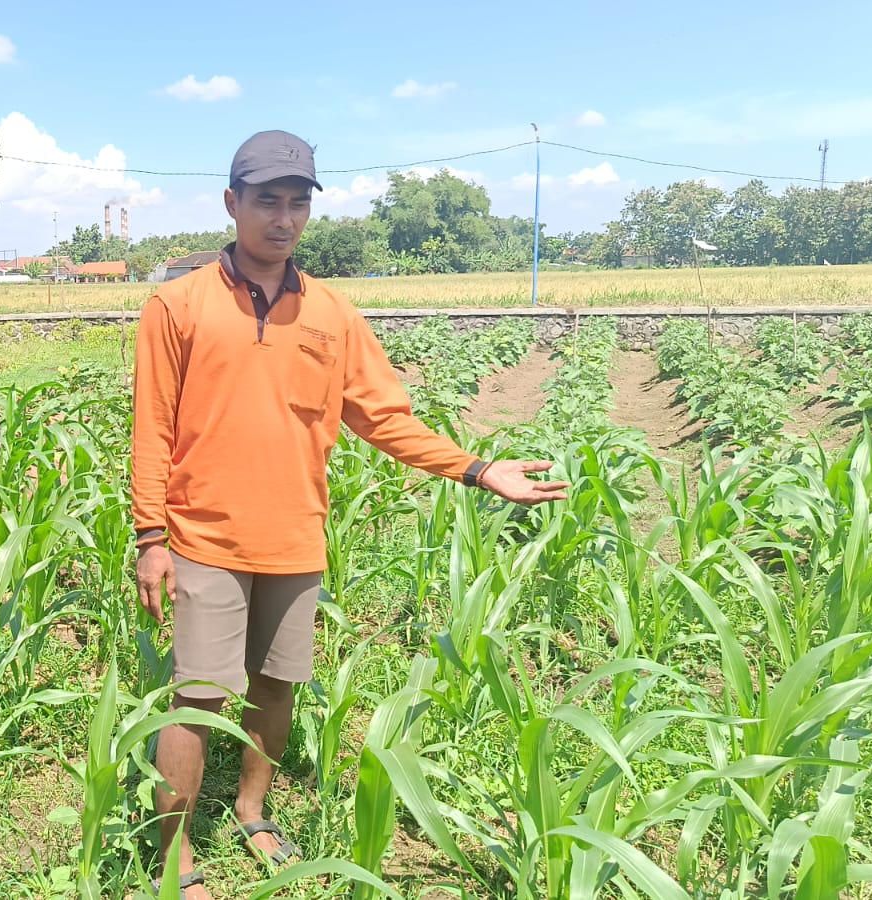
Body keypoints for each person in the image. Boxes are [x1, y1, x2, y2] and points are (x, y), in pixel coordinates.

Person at [130, 131, 569, 897]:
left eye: (299, 203)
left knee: (277, 685)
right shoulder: (178, 304)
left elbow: (385, 418)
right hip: (203, 536)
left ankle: (251, 811)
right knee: (197, 694)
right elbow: (152, 428)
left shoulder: (333, 313)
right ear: (232, 203)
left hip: (296, 534)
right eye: (268, 199)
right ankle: (175, 857)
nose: (284, 217)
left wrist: (475, 467)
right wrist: (150, 536)